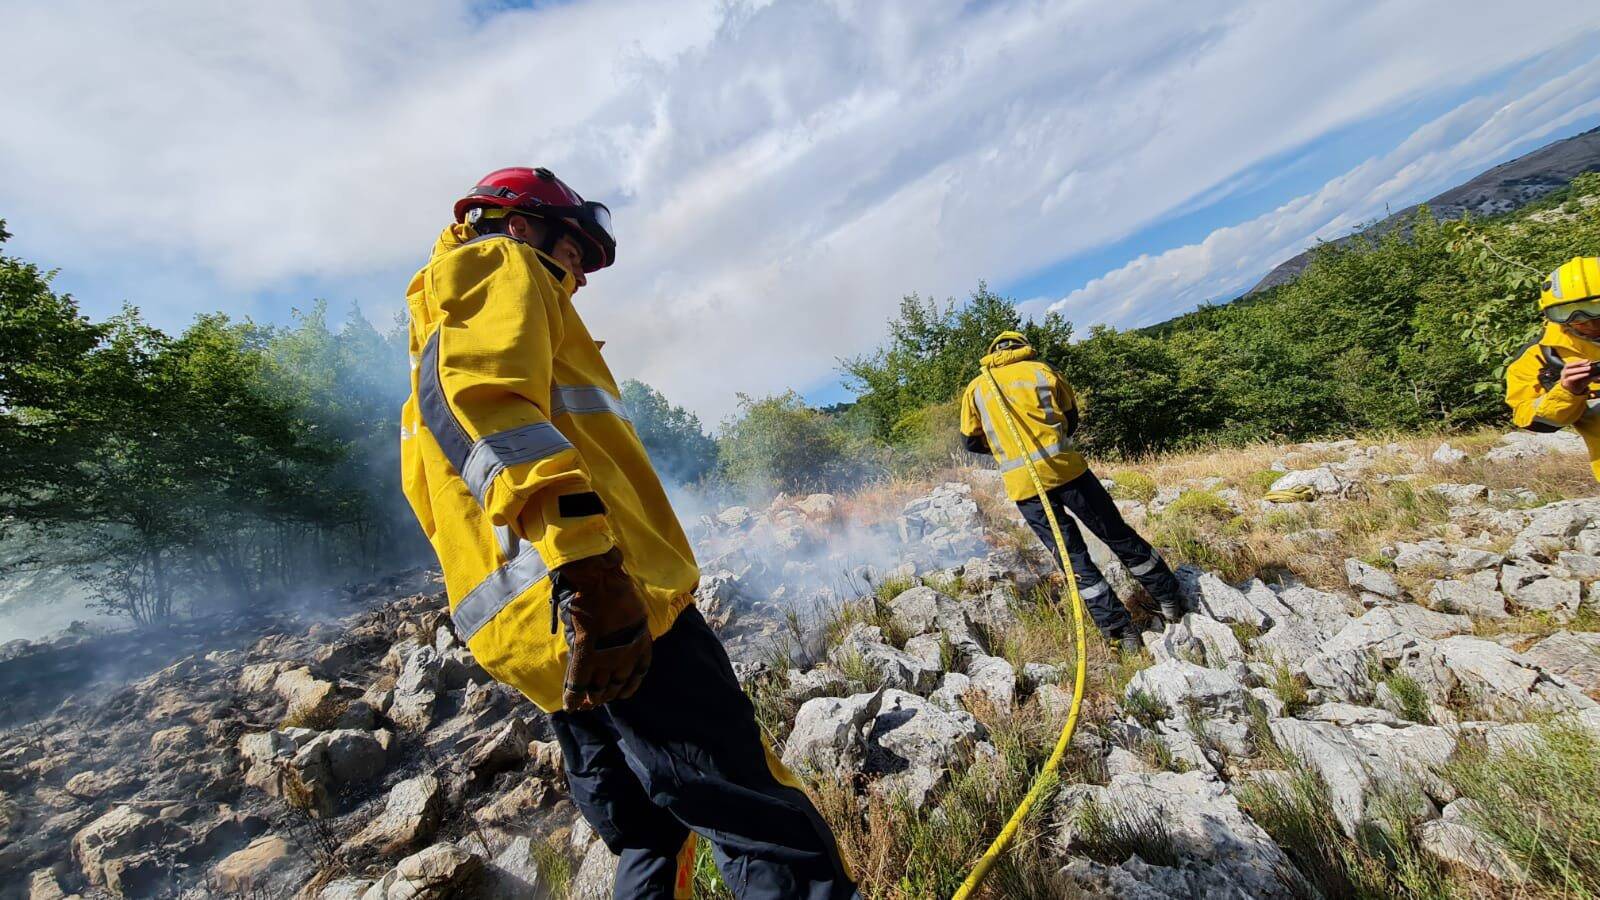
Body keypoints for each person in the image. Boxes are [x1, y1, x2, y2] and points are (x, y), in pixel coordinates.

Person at [400, 166, 856, 899]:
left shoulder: (430, 347)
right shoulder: (499, 264)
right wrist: (589, 570)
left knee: (648, 832)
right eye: (573, 252)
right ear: (520, 225)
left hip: (540, 640)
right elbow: (494, 408)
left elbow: (438, 500)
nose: (577, 275)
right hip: (606, 602)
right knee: (756, 814)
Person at [959, 331, 1187, 653]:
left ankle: (1122, 632)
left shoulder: (977, 388)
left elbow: (970, 440)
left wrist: (1007, 450)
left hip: (1026, 487)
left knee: (1073, 559)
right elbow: (1071, 417)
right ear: (1023, 347)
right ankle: (1168, 597)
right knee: (1116, 534)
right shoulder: (1042, 371)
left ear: (992, 352)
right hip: (1070, 473)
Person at [1507, 256, 1600, 481]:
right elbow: (1533, 421)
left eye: (1595, 309)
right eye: (1569, 313)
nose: (1588, 323)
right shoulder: (1540, 359)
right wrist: (1568, 391)